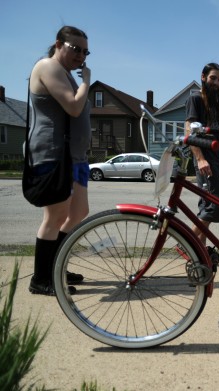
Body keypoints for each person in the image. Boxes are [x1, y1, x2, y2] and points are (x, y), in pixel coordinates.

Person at [27, 25, 92, 295]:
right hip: (53, 154)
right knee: (56, 216)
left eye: (85, 51)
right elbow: (74, 106)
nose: (81, 55)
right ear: (58, 44)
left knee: (78, 213)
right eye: (75, 49)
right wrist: (87, 81)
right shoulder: (48, 67)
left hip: (75, 157)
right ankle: (41, 279)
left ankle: (56, 265)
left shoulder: (66, 74)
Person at [185, 63, 219, 260]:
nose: (216, 82)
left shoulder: (214, 102)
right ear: (203, 77)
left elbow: (216, 129)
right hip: (205, 160)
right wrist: (200, 159)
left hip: (215, 158)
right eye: (213, 78)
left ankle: (200, 251)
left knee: (208, 206)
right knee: (212, 206)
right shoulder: (195, 98)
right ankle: (189, 246)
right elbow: (190, 130)